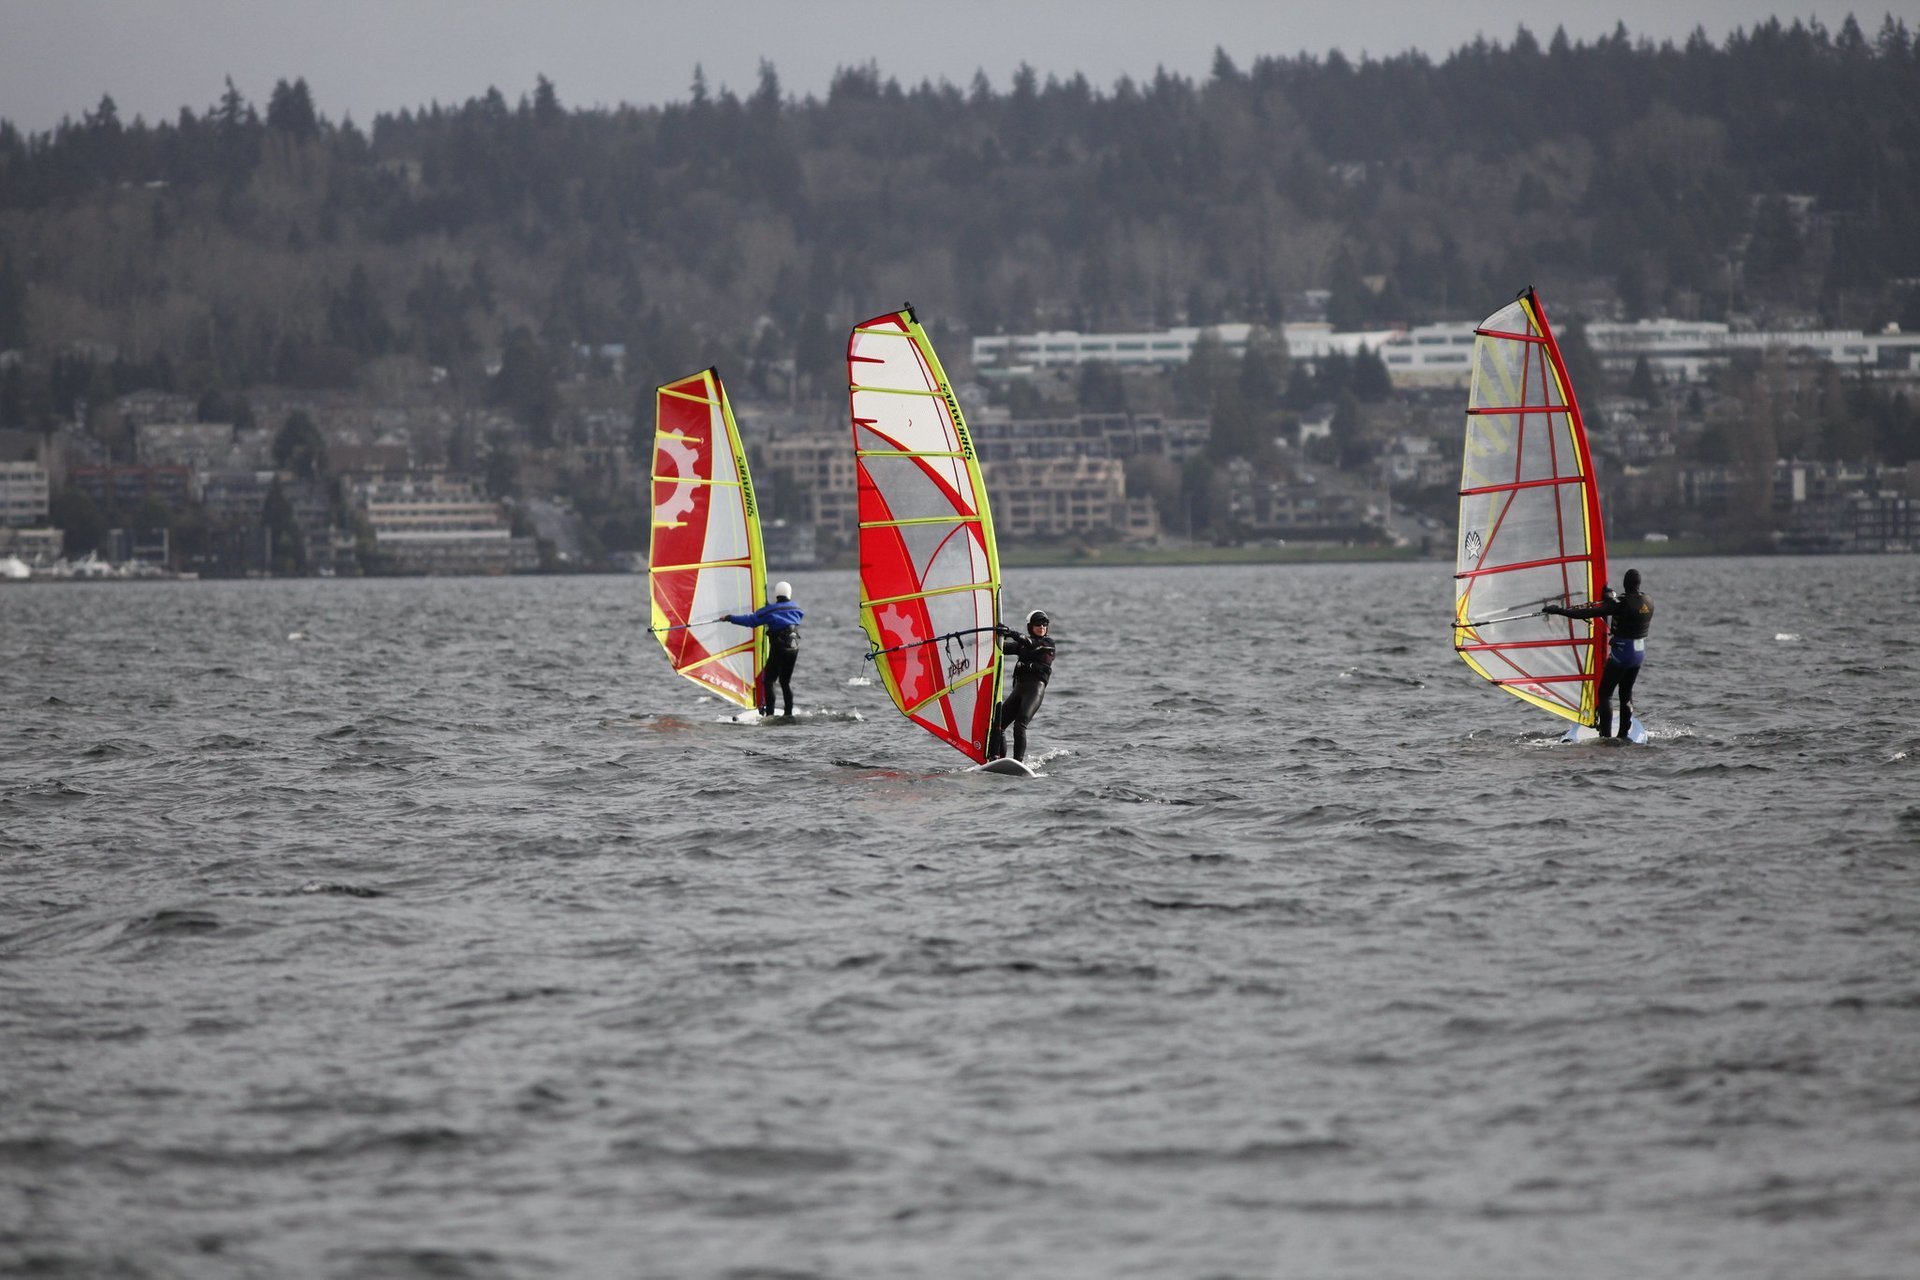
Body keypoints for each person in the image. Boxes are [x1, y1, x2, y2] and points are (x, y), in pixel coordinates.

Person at [1544, 567, 1653, 739]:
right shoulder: (1648, 600)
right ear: (1638, 584)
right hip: (1638, 654)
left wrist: (1559, 610)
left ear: (1625, 584)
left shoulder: (1621, 604)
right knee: (1626, 694)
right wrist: (1610, 599)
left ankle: (1606, 737)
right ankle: (1624, 734)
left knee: (1605, 694)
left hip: (1622, 655)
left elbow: (1587, 613)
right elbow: (1622, 605)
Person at [724, 581, 804, 718]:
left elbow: (751, 620)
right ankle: (789, 713)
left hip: (779, 647)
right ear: (789, 593)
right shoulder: (796, 609)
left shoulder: (770, 611)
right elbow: (782, 613)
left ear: (776, 594)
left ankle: (770, 714)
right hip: (794, 648)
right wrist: (769, 608)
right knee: (785, 681)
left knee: (769, 680)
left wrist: (730, 618)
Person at [987, 609, 1056, 762]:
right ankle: (997, 758)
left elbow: (1032, 644)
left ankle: (1018, 762)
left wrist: (1011, 632)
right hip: (1019, 690)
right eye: (1038, 624)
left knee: (1020, 725)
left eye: (1044, 624)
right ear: (1030, 626)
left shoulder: (1048, 644)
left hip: (1034, 690)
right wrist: (992, 636)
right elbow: (1000, 648)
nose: (1042, 627)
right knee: (998, 725)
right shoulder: (1022, 646)